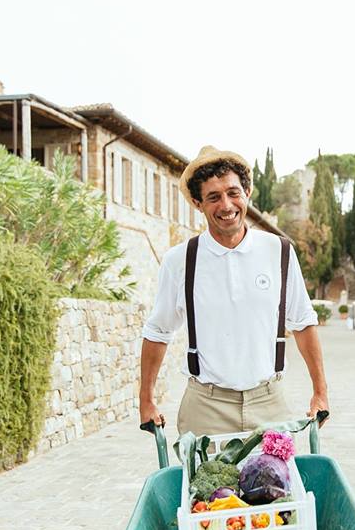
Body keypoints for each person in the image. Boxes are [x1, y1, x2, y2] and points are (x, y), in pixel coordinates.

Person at [138, 146, 329, 436]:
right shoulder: (180, 261)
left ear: (247, 193)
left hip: (269, 402)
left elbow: (303, 323)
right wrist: (146, 401)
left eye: (233, 193)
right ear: (197, 202)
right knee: (205, 484)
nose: (226, 205)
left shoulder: (279, 251)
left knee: (274, 482)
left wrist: (320, 392)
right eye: (213, 197)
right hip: (205, 407)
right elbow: (158, 332)